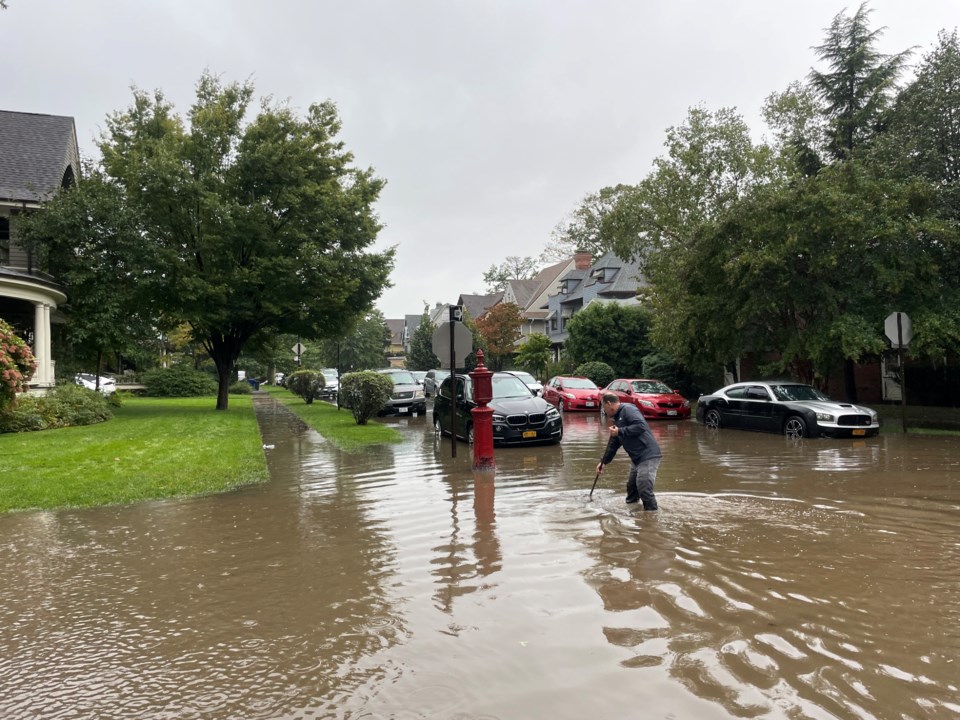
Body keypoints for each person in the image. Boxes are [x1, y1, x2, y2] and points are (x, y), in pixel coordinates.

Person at [595, 391, 662, 510]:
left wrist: (620, 431)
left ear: (609, 403)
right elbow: (614, 444)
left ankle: (651, 519)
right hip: (636, 458)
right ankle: (632, 513)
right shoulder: (616, 419)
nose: (604, 410)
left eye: (603, 406)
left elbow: (641, 426)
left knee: (644, 488)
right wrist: (603, 462)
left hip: (647, 455)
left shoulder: (628, 409)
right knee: (632, 488)